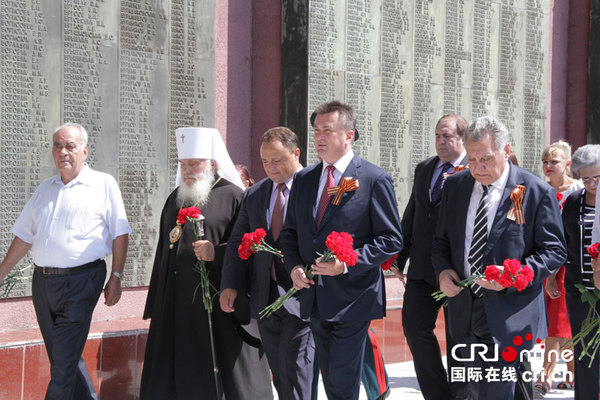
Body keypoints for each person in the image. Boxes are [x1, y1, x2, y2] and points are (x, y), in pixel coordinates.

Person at [431, 116, 566, 399]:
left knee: (497, 390)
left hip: (511, 309)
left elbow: (554, 252)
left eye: (486, 159)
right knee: (473, 389)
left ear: (506, 151)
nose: (478, 167)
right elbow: (441, 240)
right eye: (472, 159)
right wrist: (443, 271)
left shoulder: (534, 192)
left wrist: (513, 276)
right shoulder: (456, 186)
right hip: (465, 307)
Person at [281, 100, 403, 400]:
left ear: (349, 135)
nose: (319, 137)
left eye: (327, 130)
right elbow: (290, 233)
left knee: (341, 381)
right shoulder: (305, 179)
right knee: (331, 379)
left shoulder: (373, 179)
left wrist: (346, 263)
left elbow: (391, 239)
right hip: (314, 296)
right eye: (316, 131)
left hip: (354, 297)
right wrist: (294, 266)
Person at [0, 122, 131, 400]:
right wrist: (1, 273)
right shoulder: (45, 189)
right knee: (63, 356)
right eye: (58, 146)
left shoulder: (103, 184)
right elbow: (24, 235)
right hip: (44, 283)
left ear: (84, 151)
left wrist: (116, 276)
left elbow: (120, 233)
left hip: (82, 282)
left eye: (70, 146)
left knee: (62, 363)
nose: (63, 152)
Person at [140, 127, 272, 400]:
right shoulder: (175, 198)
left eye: (194, 163)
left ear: (212, 164)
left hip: (217, 301)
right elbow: (164, 251)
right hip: (176, 304)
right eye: (183, 164)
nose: (187, 170)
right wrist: (157, 302)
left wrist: (217, 253)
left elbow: (250, 248)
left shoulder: (235, 196)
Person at [221, 127, 315, 399]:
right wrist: (229, 285)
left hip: (304, 295)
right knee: (280, 374)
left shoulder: (315, 188)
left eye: (277, 160)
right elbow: (238, 243)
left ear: (296, 154)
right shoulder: (255, 194)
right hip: (266, 297)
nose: (271, 167)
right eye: (265, 161)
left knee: (296, 370)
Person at [397, 114, 469, 400]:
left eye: (447, 136)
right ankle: (438, 394)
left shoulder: (473, 169)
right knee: (414, 327)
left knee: (458, 337)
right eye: (437, 135)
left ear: (463, 138)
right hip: (422, 268)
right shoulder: (425, 168)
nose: (440, 141)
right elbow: (413, 213)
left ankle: (462, 394)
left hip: (456, 271)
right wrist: (399, 256)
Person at [535, 140, 581, 396]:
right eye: (545, 162)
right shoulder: (539, 189)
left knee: (558, 324)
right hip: (542, 262)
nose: (549, 166)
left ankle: (546, 376)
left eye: (554, 161)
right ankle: (572, 371)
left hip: (569, 264)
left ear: (568, 164)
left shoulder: (579, 190)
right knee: (562, 324)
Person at [562, 144, 600, 400]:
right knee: (585, 354)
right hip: (580, 291)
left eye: (598, 177)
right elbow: (563, 240)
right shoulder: (574, 201)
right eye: (586, 179)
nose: (592, 184)